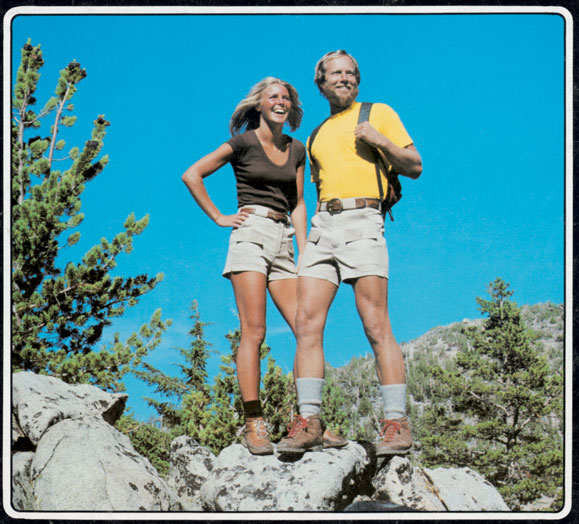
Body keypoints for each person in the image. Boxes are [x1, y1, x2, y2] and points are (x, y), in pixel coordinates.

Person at [277, 50, 423, 456]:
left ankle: (396, 424)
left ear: (357, 81)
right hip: (324, 226)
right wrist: (305, 240)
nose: (344, 79)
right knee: (306, 323)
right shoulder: (316, 134)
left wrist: (377, 139)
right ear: (320, 83)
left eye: (350, 73)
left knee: (376, 324)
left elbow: (414, 165)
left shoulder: (378, 113)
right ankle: (308, 420)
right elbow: (309, 194)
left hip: (363, 220)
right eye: (335, 74)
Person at [181, 77, 308, 456]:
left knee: (306, 329)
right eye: (273, 97)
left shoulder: (297, 149)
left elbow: (299, 203)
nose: (281, 102)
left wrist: (306, 251)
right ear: (259, 104)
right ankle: (254, 424)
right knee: (254, 330)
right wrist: (219, 216)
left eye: (286, 97)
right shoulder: (244, 143)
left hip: (284, 239)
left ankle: (307, 420)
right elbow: (192, 174)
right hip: (250, 233)